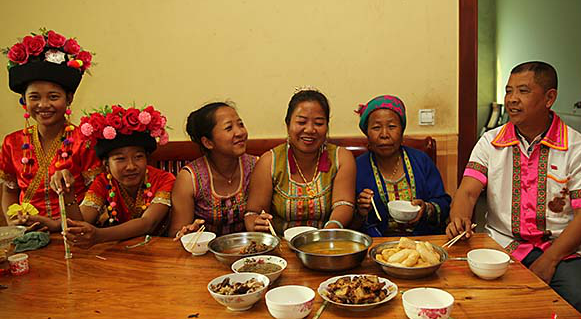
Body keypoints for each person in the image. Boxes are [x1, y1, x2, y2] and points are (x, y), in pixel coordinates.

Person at [446, 61, 581, 319]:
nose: (512, 100)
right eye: (508, 91)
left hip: (563, 250)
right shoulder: (490, 142)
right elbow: (468, 192)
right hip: (502, 244)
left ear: (549, 98)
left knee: (579, 299)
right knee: (476, 299)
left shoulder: (579, 148)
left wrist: (550, 260)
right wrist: (458, 218)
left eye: (523, 91)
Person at [0, 29, 101, 232]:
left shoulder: (84, 140)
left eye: (53, 97)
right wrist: (13, 220)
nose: (43, 105)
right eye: (34, 97)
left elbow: (96, 194)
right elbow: (10, 191)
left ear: (69, 98)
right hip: (27, 231)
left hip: (75, 231)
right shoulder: (12, 142)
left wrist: (58, 224)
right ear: (24, 100)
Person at [53, 105, 175, 248]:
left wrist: (99, 235)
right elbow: (81, 224)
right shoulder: (104, 181)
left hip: (161, 250)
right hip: (121, 251)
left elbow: (148, 223)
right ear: (106, 164)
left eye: (138, 157)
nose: (131, 166)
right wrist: (68, 193)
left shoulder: (164, 179)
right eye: (120, 159)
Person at [245, 89, 356, 234]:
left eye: (319, 123)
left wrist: (329, 231)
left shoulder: (341, 157)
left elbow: (343, 203)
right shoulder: (269, 162)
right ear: (288, 124)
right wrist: (256, 223)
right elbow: (252, 213)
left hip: (326, 240)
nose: (310, 129)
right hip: (281, 244)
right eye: (301, 122)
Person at [353, 95, 451, 237]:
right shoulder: (357, 168)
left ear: (402, 130)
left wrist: (427, 209)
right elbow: (349, 223)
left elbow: (443, 203)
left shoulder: (421, 160)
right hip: (377, 244)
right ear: (367, 133)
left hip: (422, 242)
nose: (384, 134)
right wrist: (360, 213)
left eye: (392, 127)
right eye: (376, 127)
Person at [170, 102, 257, 238]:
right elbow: (175, 232)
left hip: (249, 247)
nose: (240, 132)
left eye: (240, 124)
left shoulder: (256, 166)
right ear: (208, 142)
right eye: (229, 128)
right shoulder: (190, 178)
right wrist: (187, 233)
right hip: (205, 249)